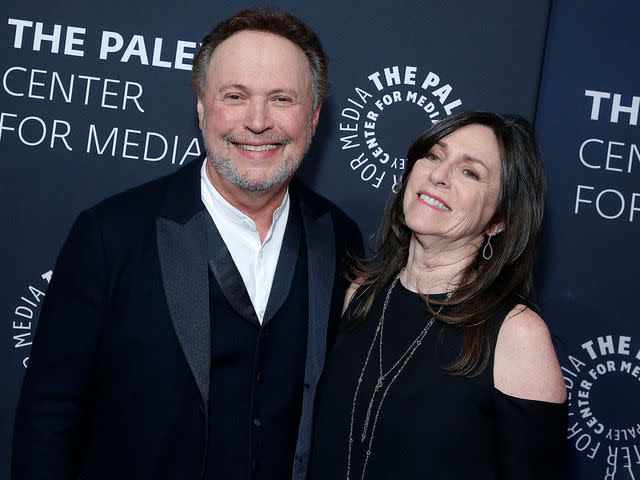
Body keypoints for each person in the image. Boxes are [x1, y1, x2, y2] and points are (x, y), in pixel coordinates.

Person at [12, 8, 362, 480]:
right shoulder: (110, 234)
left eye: (282, 99)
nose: (257, 122)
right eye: (235, 96)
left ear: (314, 116)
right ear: (201, 107)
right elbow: (48, 418)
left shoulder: (339, 235)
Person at [308, 111, 567, 479]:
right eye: (434, 155)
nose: (438, 175)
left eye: (470, 172)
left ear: (499, 221)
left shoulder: (515, 333)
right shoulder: (359, 296)